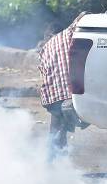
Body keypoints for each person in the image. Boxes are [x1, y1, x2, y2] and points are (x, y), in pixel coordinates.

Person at [37, 12, 88, 155]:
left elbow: (43, 76)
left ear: (48, 35)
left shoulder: (43, 50)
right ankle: (56, 158)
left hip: (52, 98)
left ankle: (54, 161)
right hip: (72, 96)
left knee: (56, 129)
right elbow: (82, 16)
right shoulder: (68, 34)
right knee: (60, 130)